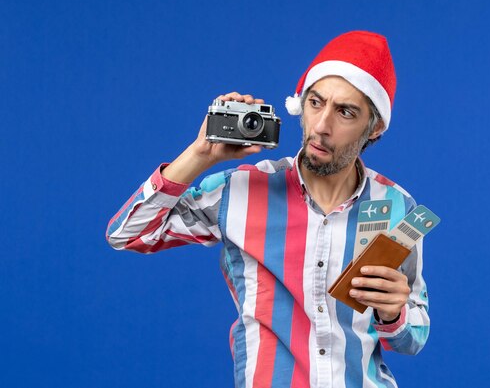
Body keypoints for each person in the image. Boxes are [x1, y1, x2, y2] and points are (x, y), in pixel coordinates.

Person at [106, 31, 430, 388]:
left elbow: (413, 338)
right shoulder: (242, 190)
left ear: (375, 127)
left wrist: (394, 312)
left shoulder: (397, 206)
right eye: (315, 103)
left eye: (345, 112)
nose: (322, 126)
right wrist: (199, 155)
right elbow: (128, 234)